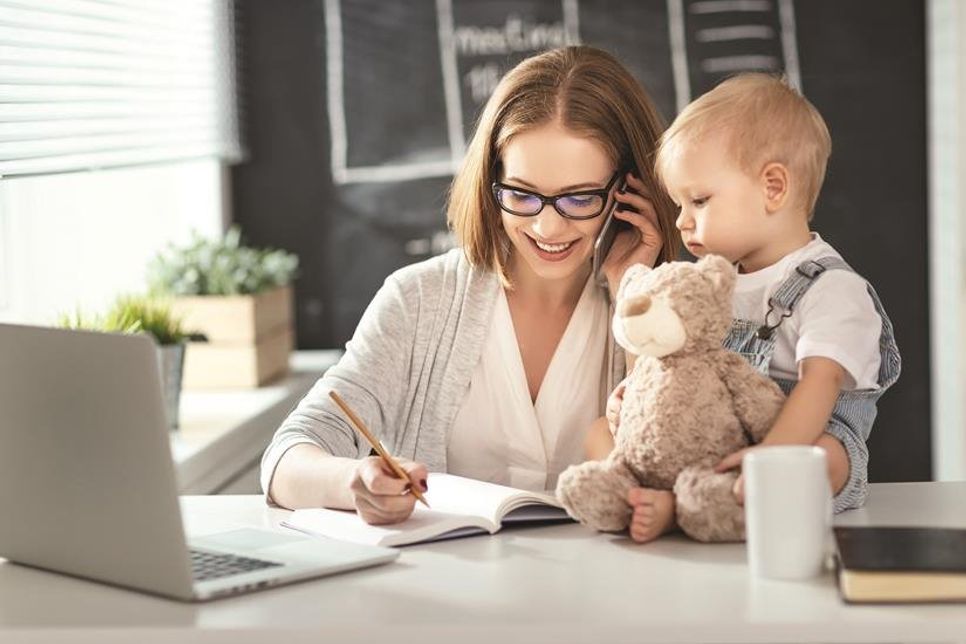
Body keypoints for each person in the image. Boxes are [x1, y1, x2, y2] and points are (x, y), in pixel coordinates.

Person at [260, 45, 682, 524]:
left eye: (579, 198)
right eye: (522, 194)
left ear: (629, 192)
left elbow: (670, 473)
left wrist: (636, 291)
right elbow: (287, 460)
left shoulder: (669, 307)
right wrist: (353, 481)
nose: (547, 228)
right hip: (448, 592)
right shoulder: (419, 300)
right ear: (491, 181)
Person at [588, 73, 901, 543]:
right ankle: (647, 492)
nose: (681, 220)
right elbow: (674, 357)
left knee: (826, 458)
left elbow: (820, 384)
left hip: (795, 440)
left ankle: (682, 507)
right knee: (597, 431)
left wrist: (771, 456)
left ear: (773, 187)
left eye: (699, 200)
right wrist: (637, 396)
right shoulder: (713, 282)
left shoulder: (831, 288)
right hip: (714, 435)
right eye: (678, 204)